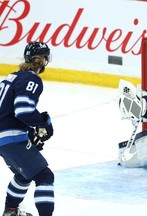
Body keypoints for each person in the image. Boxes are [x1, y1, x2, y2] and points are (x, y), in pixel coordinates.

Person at [0, 42, 54, 215]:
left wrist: (29, 132)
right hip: (11, 137)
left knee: (24, 175)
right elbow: (23, 110)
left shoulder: (12, 76)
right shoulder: (32, 78)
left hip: (4, 138)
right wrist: (41, 123)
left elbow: (8, 110)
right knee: (44, 176)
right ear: (44, 60)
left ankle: (10, 211)